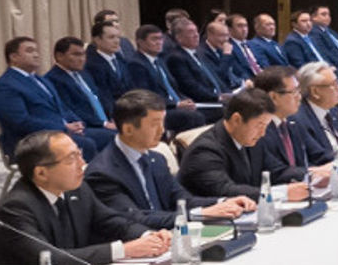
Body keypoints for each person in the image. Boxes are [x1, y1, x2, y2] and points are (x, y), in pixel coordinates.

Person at [0, 130, 169, 265]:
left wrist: (148, 236)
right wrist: (124, 250)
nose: (82, 164)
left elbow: (111, 222)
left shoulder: (77, 189)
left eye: (79, 154)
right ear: (41, 173)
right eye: (71, 159)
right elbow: (50, 259)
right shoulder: (16, 208)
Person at [85, 90, 253, 230]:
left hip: (171, 236)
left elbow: (182, 199)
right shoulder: (102, 173)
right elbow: (134, 219)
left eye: (163, 122)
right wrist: (200, 214)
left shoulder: (156, 159)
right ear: (128, 129)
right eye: (154, 124)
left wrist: (223, 202)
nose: (162, 130)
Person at [178, 89, 310, 202]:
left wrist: (311, 175)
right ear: (237, 119)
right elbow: (226, 190)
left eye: (266, 126)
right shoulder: (205, 150)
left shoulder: (250, 139)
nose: (263, 133)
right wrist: (282, 193)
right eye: (259, 125)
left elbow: (277, 172)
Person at [0, 36, 105, 160]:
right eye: (30, 51)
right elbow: (20, 122)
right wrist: (63, 128)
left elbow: (62, 108)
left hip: (59, 132)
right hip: (32, 142)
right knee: (87, 144)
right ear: (14, 57)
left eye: (36, 51)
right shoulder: (6, 85)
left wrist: (77, 123)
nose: (36, 55)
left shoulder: (40, 80)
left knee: (111, 136)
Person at [126, 23, 211, 132]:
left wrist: (184, 100)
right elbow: (146, 95)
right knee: (194, 117)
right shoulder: (136, 64)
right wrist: (176, 104)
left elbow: (173, 88)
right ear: (141, 42)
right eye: (154, 39)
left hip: (174, 105)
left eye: (160, 39)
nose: (159, 42)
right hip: (156, 109)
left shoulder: (160, 61)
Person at [43, 37, 119, 158]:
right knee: (115, 136)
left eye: (83, 54)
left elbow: (99, 98)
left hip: (103, 122)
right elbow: (72, 110)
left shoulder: (84, 74)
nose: (82, 59)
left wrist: (112, 118)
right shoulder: (53, 79)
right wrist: (103, 124)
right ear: (59, 56)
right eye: (76, 55)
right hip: (86, 125)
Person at [249, 67, 324, 183]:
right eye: (293, 92)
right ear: (273, 97)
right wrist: (313, 173)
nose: (299, 97)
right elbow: (275, 172)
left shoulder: (292, 122)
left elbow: (317, 155)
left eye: (299, 91)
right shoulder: (259, 130)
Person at [164, 20, 228, 108]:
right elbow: (191, 87)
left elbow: (215, 78)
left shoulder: (198, 53)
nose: (196, 35)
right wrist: (217, 97)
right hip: (201, 103)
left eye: (196, 31)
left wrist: (226, 94)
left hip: (215, 97)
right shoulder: (176, 58)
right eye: (191, 32)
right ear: (179, 37)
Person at [201, 16, 254, 88]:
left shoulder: (222, 48)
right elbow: (219, 76)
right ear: (210, 35)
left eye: (227, 35)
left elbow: (238, 70)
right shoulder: (203, 53)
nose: (225, 39)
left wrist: (246, 80)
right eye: (221, 36)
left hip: (237, 85)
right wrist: (226, 55)